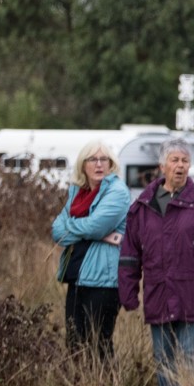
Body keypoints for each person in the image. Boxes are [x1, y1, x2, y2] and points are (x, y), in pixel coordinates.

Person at [118, 136, 194, 386]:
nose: (180, 166)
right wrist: (128, 294)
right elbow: (130, 256)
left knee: (191, 358)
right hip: (158, 294)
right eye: (174, 160)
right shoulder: (141, 208)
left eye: (185, 160)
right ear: (161, 165)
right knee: (163, 359)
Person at [51, 141, 130, 363]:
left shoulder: (117, 192)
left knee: (98, 342)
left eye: (103, 159)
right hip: (76, 276)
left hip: (104, 280)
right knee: (75, 341)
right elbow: (57, 231)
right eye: (92, 159)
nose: (98, 164)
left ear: (111, 164)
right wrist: (94, 232)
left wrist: (79, 227)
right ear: (83, 165)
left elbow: (96, 227)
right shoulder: (78, 192)